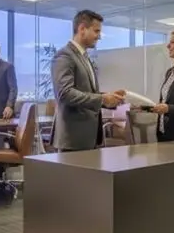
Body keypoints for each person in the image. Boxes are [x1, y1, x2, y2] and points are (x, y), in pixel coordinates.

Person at [51, 9, 124, 151]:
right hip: (73, 140)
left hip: (88, 139)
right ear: (82, 29)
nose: (99, 37)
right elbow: (65, 94)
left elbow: (85, 92)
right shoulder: (64, 56)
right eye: (96, 31)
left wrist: (109, 98)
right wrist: (102, 99)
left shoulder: (84, 57)